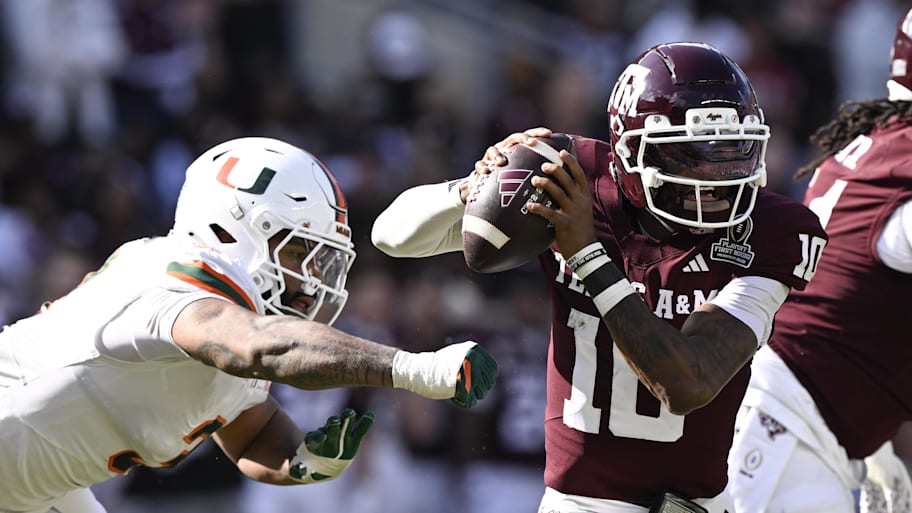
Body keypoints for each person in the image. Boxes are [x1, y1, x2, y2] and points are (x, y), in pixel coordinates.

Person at [372, 42, 827, 513]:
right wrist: (472, 187)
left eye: (733, 150)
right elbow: (391, 236)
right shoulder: (570, 177)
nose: (716, 178)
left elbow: (688, 383)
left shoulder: (771, 231)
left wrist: (587, 256)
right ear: (629, 152)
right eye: (690, 156)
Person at [0, 136, 499, 513]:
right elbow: (258, 348)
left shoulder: (235, 324)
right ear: (240, 227)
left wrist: (302, 462)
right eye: (303, 252)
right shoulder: (171, 277)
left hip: (36, 479)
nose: (311, 280)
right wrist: (412, 369)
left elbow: (254, 437)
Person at [726, 9, 912, 513]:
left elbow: (861, 302)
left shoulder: (876, 146)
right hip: (786, 436)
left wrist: (876, 441)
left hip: (796, 421)